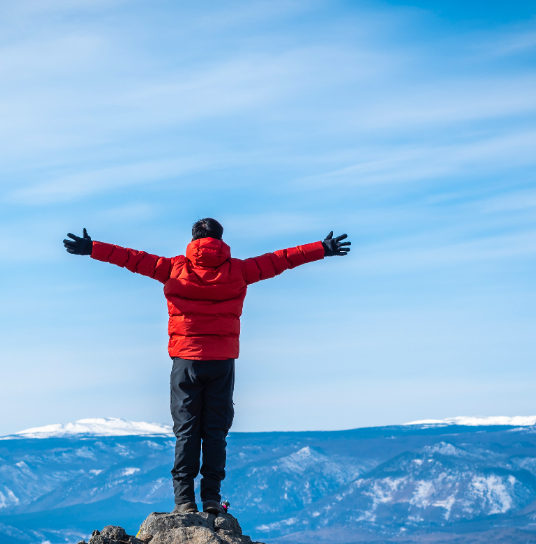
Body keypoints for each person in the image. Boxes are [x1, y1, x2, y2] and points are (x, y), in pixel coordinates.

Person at [63, 218, 350, 515]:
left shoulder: (173, 268)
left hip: (186, 361)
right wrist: (322, 249)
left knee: (186, 430)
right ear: (221, 240)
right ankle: (212, 498)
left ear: (193, 239)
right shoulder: (238, 270)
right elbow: (279, 260)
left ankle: (184, 500)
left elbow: (132, 259)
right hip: (222, 362)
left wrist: (92, 247)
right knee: (215, 431)